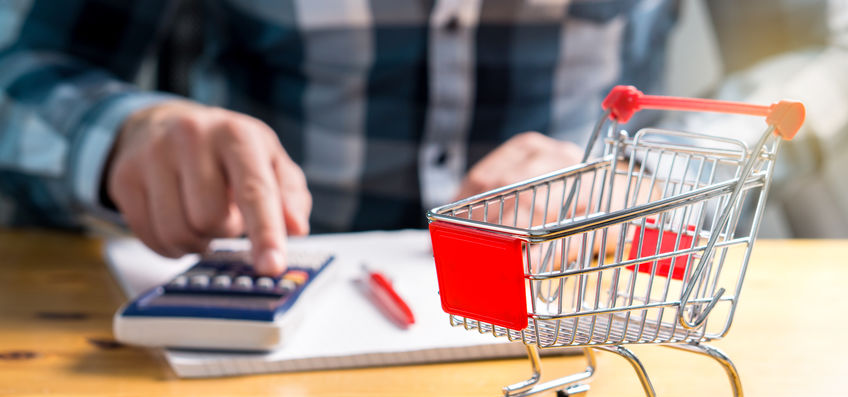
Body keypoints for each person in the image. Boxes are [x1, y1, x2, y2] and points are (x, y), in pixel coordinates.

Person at [0, 1, 679, 274]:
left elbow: (770, 78)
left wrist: (647, 178)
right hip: (266, 301)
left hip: (574, 295)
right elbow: (28, 69)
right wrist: (122, 136)